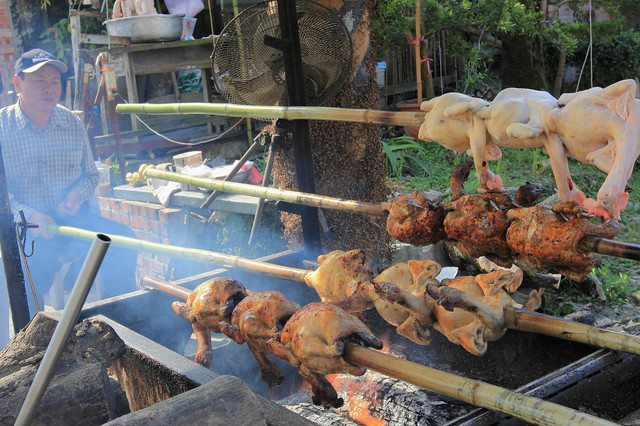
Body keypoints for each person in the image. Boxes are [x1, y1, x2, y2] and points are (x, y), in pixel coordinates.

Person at [0, 48, 138, 314]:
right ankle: (31, 342)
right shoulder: (3, 127)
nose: (48, 88)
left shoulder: (71, 123)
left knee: (122, 240)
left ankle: (122, 321)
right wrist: (29, 216)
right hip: (25, 230)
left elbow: (89, 175)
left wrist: (76, 195)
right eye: (39, 81)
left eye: (54, 81)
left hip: (73, 222)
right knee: (26, 273)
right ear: (18, 84)